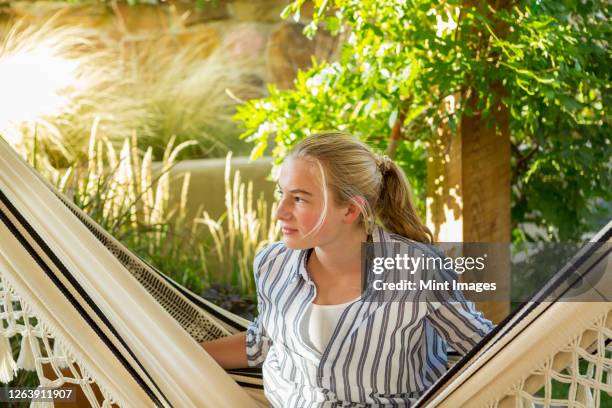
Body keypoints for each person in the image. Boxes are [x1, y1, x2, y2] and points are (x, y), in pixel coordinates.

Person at [201, 132, 494, 406]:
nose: (280, 211)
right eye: (282, 194)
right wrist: (170, 353)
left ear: (351, 210)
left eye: (300, 198)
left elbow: (490, 350)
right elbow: (264, 340)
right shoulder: (273, 264)